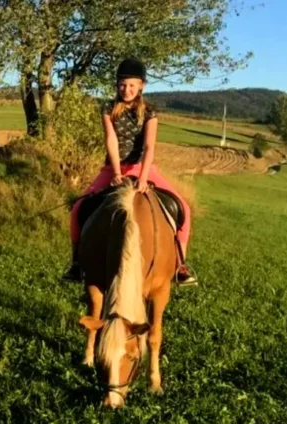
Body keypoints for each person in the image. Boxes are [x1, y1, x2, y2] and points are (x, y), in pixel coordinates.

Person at [63, 57, 196, 287]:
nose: (127, 89)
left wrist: (144, 178)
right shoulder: (107, 108)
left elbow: (149, 146)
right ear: (117, 85)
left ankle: (181, 264)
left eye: (132, 85)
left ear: (142, 85)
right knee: (77, 209)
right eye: (122, 85)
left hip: (143, 168)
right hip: (113, 168)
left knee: (183, 207)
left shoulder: (150, 112)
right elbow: (111, 140)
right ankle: (77, 264)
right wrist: (115, 172)